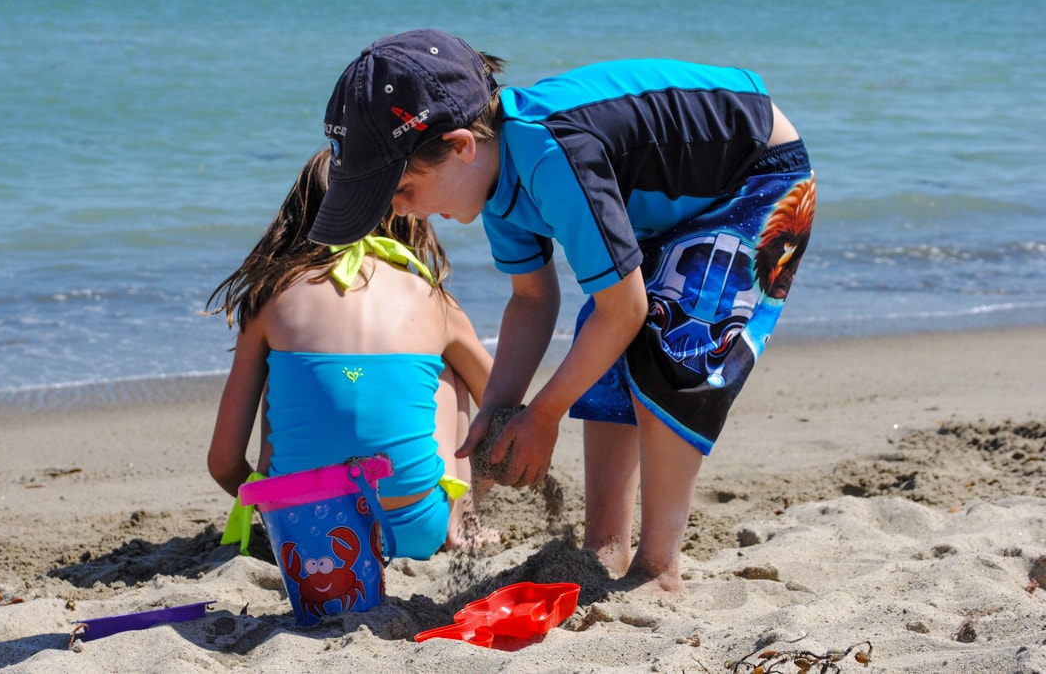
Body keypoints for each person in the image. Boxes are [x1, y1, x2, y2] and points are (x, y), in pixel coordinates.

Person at [309, 29, 816, 592]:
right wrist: (497, 411)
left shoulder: (549, 153)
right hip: (676, 198)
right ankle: (604, 546)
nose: (402, 212)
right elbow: (532, 299)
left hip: (753, 174)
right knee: (596, 342)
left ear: (461, 147)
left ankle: (657, 568)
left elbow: (625, 309)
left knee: (678, 346)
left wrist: (543, 415)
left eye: (402, 190)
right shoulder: (495, 183)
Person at [205, 148, 495, 559]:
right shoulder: (433, 301)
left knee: (288, 373)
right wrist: (480, 483)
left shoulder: (271, 298)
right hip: (413, 529)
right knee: (448, 371)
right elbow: (502, 405)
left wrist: (270, 504)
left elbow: (223, 461)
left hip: (301, 533)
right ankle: (461, 522)